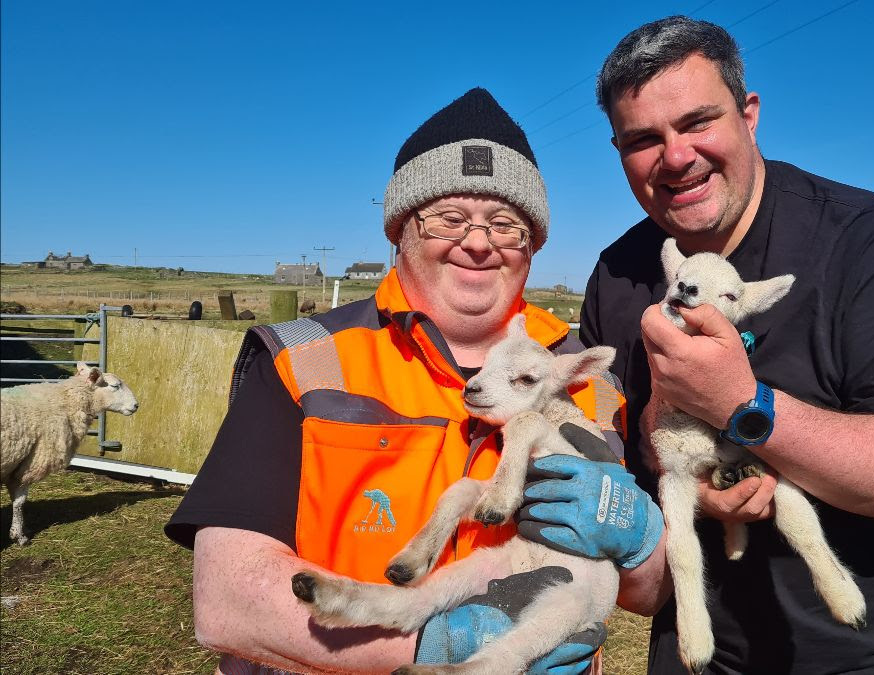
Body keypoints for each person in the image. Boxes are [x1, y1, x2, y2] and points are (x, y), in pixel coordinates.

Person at [164, 87, 665, 674]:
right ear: (400, 228)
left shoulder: (586, 380)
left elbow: (645, 594)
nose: (478, 243)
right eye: (449, 218)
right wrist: (434, 649)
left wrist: (641, 541)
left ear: (531, 247)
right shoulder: (305, 362)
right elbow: (227, 601)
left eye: (506, 224)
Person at [576, 15, 874, 674]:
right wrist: (679, 466)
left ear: (749, 114)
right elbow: (607, 464)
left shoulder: (867, 242)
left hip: (862, 653)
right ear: (618, 151)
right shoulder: (617, 276)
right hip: (692, 650)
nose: (676, 156)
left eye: (698, 121)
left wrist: (744, 405)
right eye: (644, 138)